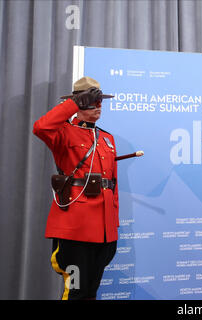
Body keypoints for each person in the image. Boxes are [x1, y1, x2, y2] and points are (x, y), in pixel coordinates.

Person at [33, 76, 119, 300]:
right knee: (76, 291)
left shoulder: (107, 139)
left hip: (103, 231)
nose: (99, 105)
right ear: (80, 102)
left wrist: (113, 225)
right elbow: (40, 127)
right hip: (76, 230)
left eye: (100, 100)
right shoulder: (63, 133)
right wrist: (74, 103)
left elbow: (113, 185)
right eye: (92, 101)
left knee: (91, 291)